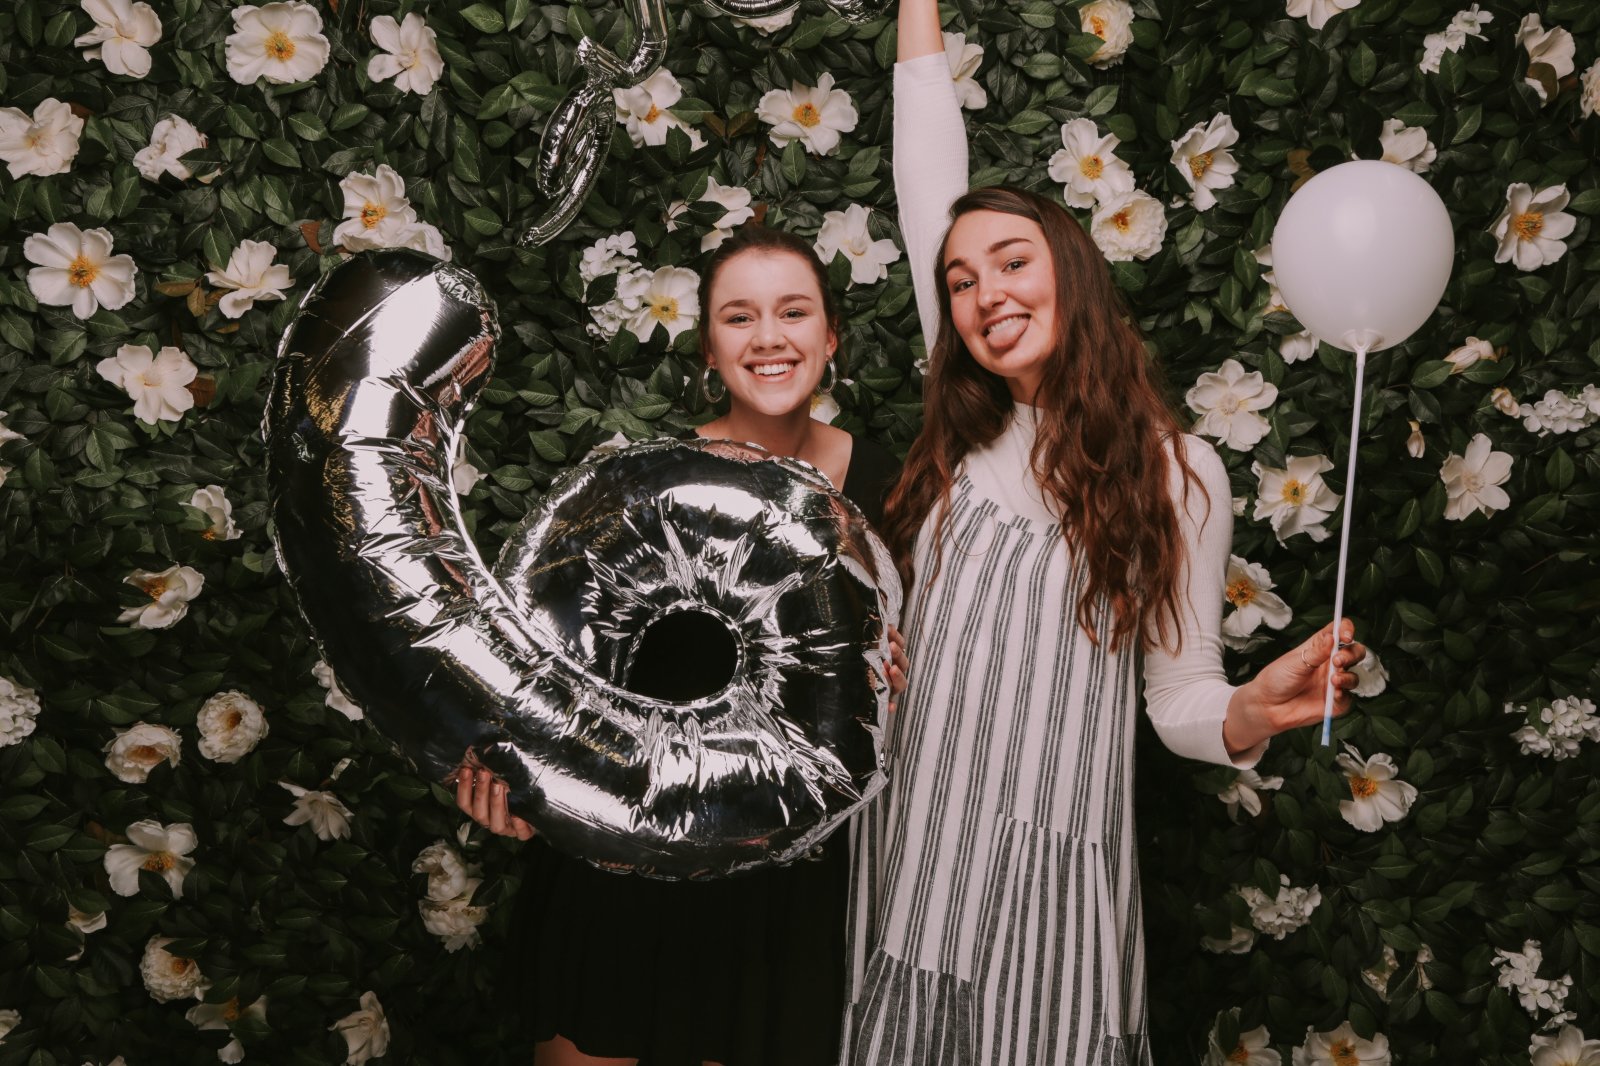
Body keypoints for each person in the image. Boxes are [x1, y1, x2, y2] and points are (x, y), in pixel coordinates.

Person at [837, 4, 1368, 1064]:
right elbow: (925, 165)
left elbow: (1177, 697)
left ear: (1071, 271)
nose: (984, 294)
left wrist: (1248, 710)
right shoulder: (966, 427)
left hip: (1058, 876)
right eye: (959, 281)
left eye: (1012, 263)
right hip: (914, 853)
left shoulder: (1181, 474)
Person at [456, 223, 908, 1066]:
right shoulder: (645, 481)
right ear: (709, 347)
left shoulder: (893, 492)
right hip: (626, 874)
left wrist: (901, 671)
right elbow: (543, 669)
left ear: (831, 336)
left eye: (793, 312)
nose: (768, 338)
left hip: (787, 897)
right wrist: (509, 777)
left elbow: (924, 677)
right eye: (739, 317)